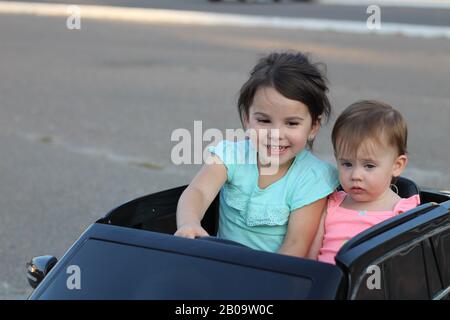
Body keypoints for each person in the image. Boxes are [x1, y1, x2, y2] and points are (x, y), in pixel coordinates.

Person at [175, 52, 339, 257]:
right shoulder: (231, 155)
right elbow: (198, 191)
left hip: (274, 276)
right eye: (264, 120)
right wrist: (189, 222)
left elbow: (296, 244)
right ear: (246, 119)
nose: (276, 134)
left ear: (313, 127)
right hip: (220, 266)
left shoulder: (312, 177)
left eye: (291, 123)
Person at [308, 100, 421, 264]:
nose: (355, 175)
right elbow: (311, 257)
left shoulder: (402, 213)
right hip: (328, 286)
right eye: (347, 164)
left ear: (397, 166)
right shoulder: (331, 203)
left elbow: (404, 268)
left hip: (373, 287)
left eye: (369, 166)